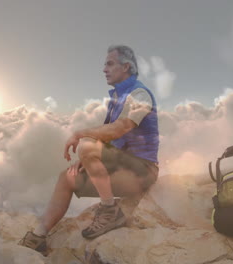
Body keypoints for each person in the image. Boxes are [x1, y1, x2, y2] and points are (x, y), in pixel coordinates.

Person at [19, 45, 160, 256]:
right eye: (105, 64)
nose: (104, 69)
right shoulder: (117, 99)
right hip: (123, 167)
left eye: (110, 64)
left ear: (126, 67)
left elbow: (120, 128)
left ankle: (110, 210)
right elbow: (112, 141)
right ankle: (38, 236)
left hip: (143, 171)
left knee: (86, 144)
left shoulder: (140, 94)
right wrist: (89, 158)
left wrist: (81, 137)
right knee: (66, 177)